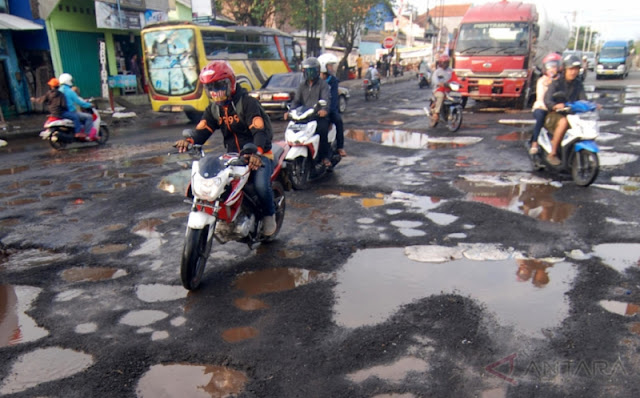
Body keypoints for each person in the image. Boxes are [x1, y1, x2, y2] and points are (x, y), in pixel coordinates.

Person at [174, 61, 277, 236]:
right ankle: (225, 215)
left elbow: (259, 131)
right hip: (232, 157)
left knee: (260, 186)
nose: (215, 91)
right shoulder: (215, 108)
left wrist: (256, 153)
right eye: (210, 87)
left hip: (258, 154)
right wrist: (189, 140)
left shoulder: (247, 103)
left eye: (219, 86)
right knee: (216, 184)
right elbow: (203, 129)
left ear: (230, 83)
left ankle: (269, 216)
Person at [543, 54, 587, 166]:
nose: (573, 72)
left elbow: (583, 99)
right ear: (565, 69)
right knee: (564, 122)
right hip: (555, 115)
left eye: (576, 69)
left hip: (572, 114)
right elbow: (547, 100)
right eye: (571, 69)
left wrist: (592, 105)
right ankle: (552, 153)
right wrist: (555, 106)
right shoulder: (556, 82)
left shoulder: (578, 84)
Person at [288, 57, 332, 168]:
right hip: (304, 116)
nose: (309, 73)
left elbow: (326, 99)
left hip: (318, 116)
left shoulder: (323, 84)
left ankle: (324, 156)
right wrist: (290, 111)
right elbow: (296, 101)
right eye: (307, 71)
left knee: (322, 129)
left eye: (312, 71)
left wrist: (324, 110)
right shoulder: (302, 85)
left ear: (317, 71)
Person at [530, 52, 562, 155]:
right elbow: (541, 98)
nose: (552, 69)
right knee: (540, 117)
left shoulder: (562, 81)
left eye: (554, 66)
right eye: (549, 67)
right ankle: (534, 143)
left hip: (559, 108)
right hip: (542, 107)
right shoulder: (542, 81)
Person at [318, 53, 347, 157]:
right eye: (330, 65)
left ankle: (340, 147)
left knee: (338, 121)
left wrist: (328, 114)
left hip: (330, 110)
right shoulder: (316, 80)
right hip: (317, 109)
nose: (332, 68)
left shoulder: (333, 81)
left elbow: (334, 98)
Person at [58, 73, 96, 140]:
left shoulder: (59, 90)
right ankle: (86, 134)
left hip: (61, 112)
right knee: (89, 117)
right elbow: (79, 102)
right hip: (71, 111)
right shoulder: (70, 91)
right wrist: (90, 105)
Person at [430, 55, 458, 124]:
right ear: (440, 63)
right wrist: (439, 83)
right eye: (444, 62)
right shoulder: (437, 72)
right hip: (438, 89)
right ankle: (436, 113)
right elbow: (434, 80)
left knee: (457, 96)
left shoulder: (451, 71)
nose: (445, 64)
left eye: (446, 62)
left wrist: (459, 84)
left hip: (448, 89)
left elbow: (455, 79)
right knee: (441, 96)